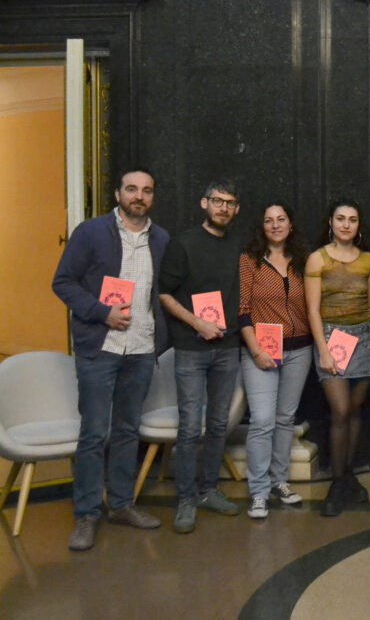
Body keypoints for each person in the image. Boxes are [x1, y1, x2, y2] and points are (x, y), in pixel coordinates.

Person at [53, 169, 168, 551]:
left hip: (139, 348)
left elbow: (163, 291)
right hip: (100, 348)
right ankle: (86, 514)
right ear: (118, 193)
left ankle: (120, 504)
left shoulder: (161, 239)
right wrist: (103, 313)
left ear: (152, 197)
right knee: (93, 434)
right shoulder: (90, 232)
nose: (139, 196)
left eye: (146, 191)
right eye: (132, 189)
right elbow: (63, 282)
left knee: (127, 432)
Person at [159, 180, 243, 533]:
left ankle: (210, 490)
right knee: (191, 426)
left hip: (228, 348)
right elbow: (164, 294)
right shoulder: (184, 243)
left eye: (230, 203)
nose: (223, 207)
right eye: (217, 201)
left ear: (236, 209)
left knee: (220, 424)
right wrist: (198, 323)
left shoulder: (240, 247)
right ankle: (186, 499)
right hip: (192, 348)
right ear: (203, 203)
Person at [305, 198, 370, 516]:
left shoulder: (369, 259)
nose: (346, 224)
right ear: (331, 222)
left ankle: (348, 475)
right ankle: (337, 484)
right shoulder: (317, 259)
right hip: (332, 339)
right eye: (340, 218)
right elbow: (312, 310)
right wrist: (323, 350)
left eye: (352, 219)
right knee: (339, 410)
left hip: (365, 338)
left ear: (358, 225)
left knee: (354, 411)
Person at [238, 202, 313, 519]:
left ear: (291, 224)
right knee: (262, 421)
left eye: (281, 219)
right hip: (261, 350)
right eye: (269, 220)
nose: (276, 225)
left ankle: (278, 481)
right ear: (262, 226)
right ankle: (258, 492)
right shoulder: (250, 261)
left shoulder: (303, 262)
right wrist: (256, 350)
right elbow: (242, 310)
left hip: (300, 349)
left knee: (285, 419)